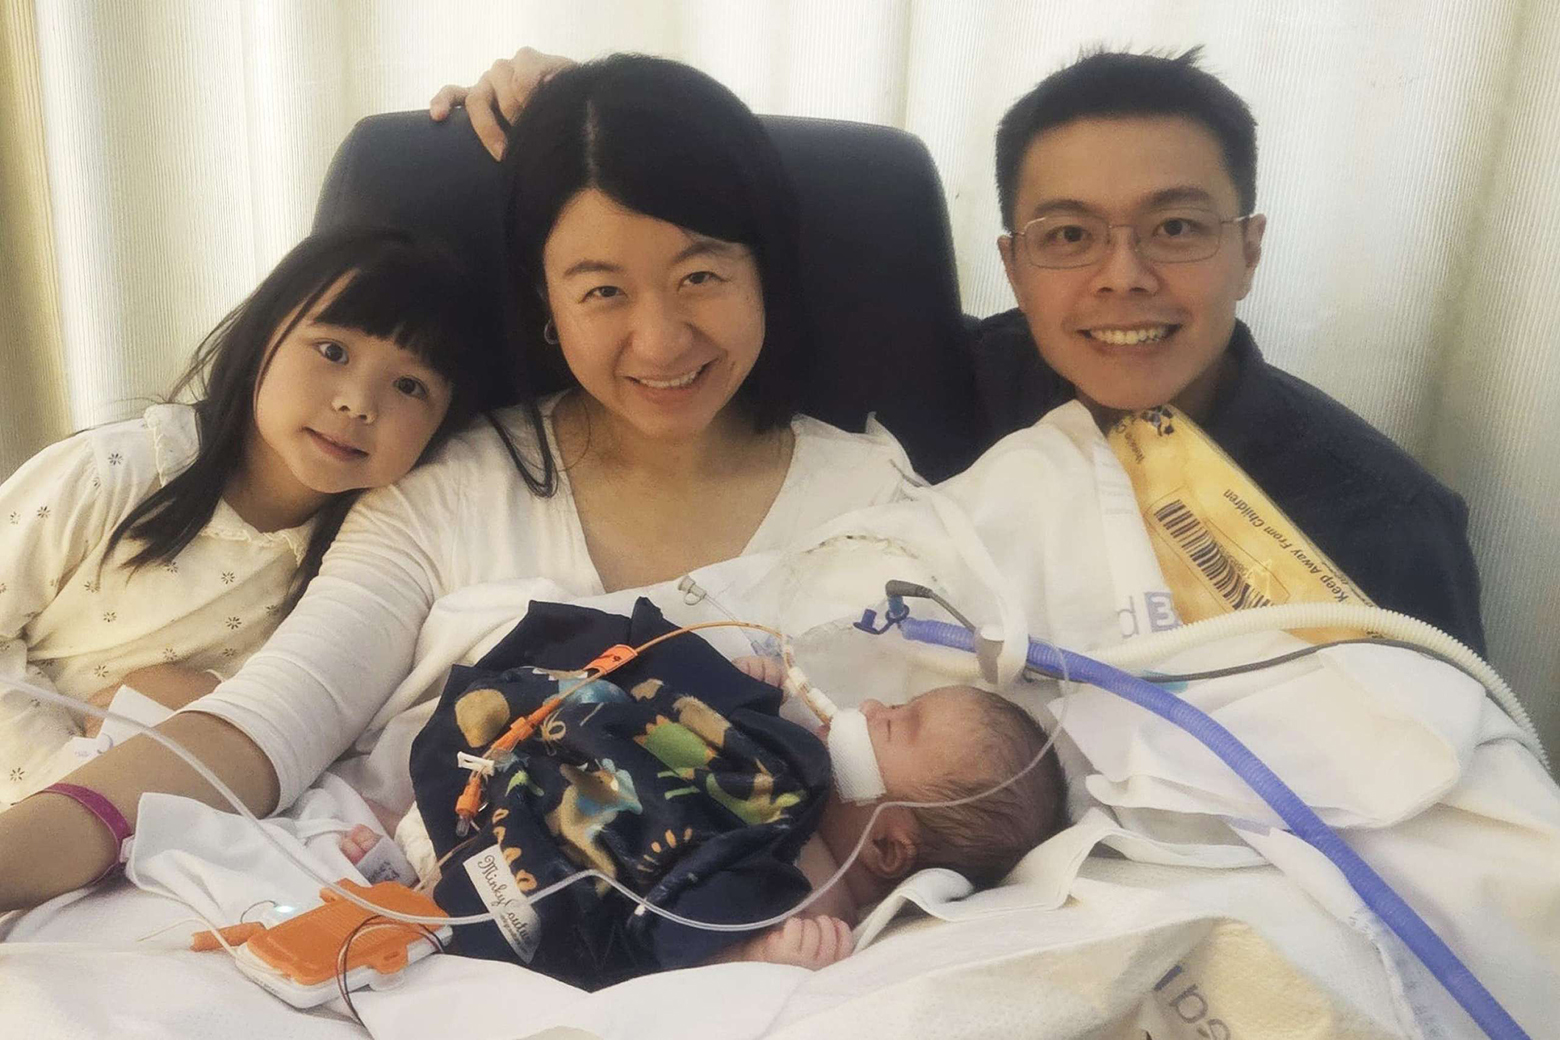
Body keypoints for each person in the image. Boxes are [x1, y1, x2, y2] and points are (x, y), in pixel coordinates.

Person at [0, 54, 920, 913]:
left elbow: (963, 769)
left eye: (703, 274)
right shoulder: (445, 490)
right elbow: (265, 724)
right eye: (601, 290)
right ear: (547, 306)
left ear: (766, 271)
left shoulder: (871, 496)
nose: (662, 339)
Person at [434, 47, 1486, 655]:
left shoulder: (1382, 523)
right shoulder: (925, 384)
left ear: (1250, 249)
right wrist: (577, 108)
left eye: (1176, 227)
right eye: (1070, 235)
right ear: (1014, 261)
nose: (1123, 276)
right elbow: (668, 310)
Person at [0, 227, 489, 809]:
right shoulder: (121, 473)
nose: (358, 403)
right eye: (333, 352)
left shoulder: (373, 565)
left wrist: (206, 697)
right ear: (262, 338)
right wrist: (63, 775)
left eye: (410, 386)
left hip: (147, 838)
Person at [377, 596, 1061, 984]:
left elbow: (683, 954)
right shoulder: (792, 772)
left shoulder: (812, 891)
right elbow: (686, 734)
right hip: (545, 780)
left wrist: (753, 955)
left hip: (556, 879)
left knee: (498, 917)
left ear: (887, 849)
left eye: (901, 726)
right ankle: (409, 848)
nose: (876, 706)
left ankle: (409, 881)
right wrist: (737, 695)